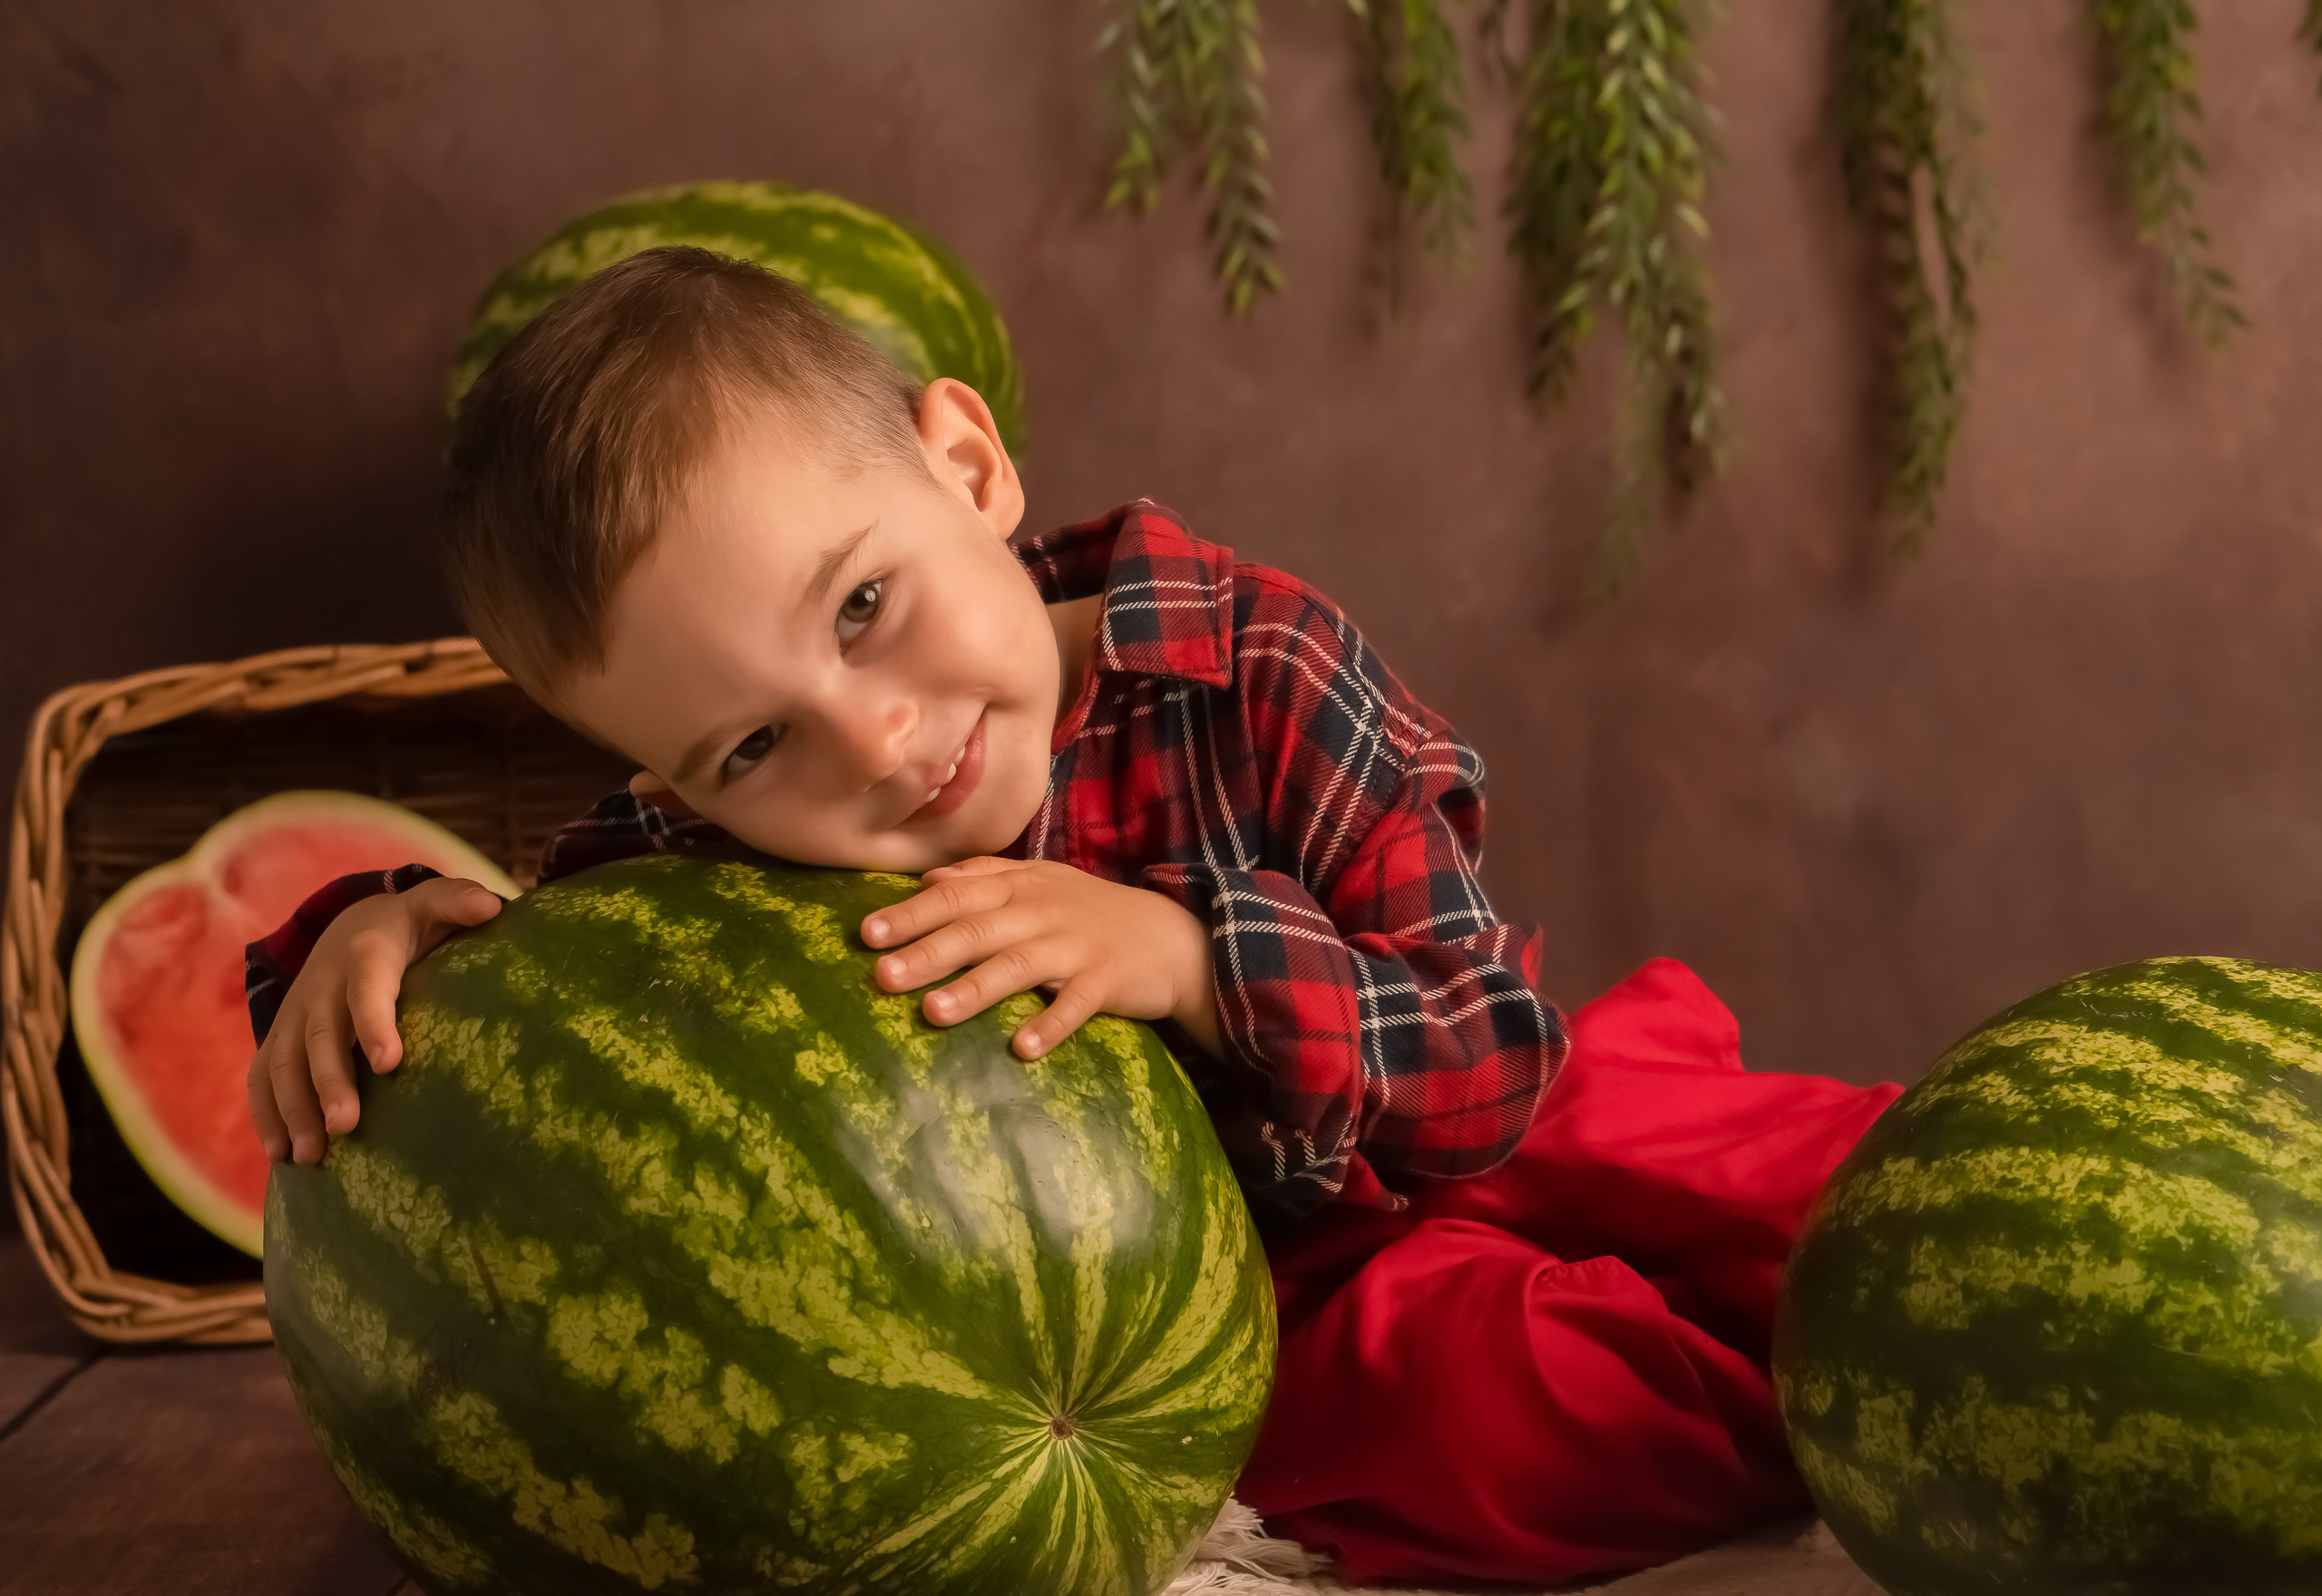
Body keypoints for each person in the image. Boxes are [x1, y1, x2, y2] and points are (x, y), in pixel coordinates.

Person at [244, 245, 1901, 1588]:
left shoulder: (1256, 665)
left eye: (865, 608)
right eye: (754, 743)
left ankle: (1907, 1289)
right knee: (1503, 1421)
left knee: (1791, 1179)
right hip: (1261, 1289)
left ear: (967, 468)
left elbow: (1483, 1063)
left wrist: (1189, 959)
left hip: (1465, 1085)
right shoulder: (719, 852)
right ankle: (1822, 1429)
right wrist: (373, 935)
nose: (876, 745)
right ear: (681, 792)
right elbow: (551, 992)